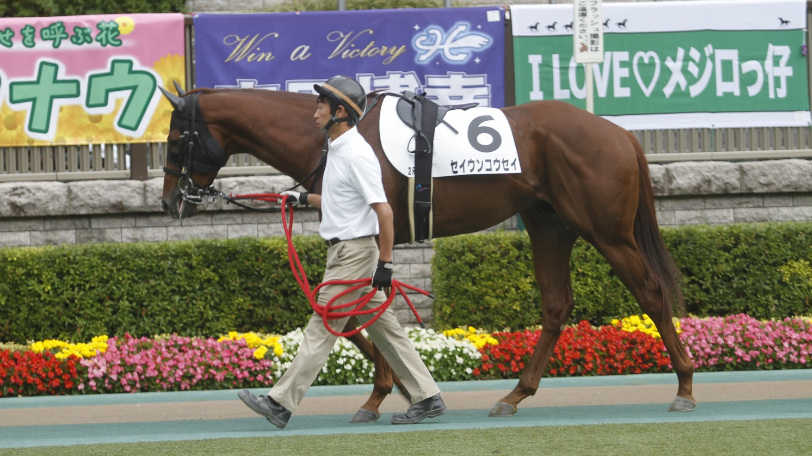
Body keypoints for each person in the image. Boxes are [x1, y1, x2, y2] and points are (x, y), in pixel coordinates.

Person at [238, 75, 446, 429]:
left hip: (354, 253)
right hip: (346, 251)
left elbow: (384, 211)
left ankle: (279, 402)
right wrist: (302, 197)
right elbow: (342, 201)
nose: (314, 111)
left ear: (339, 112)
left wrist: (386, 263)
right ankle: (428, 397)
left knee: (323, 323)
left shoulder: (357, 153)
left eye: (320, 105)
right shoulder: (338, 148)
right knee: (385, 328)